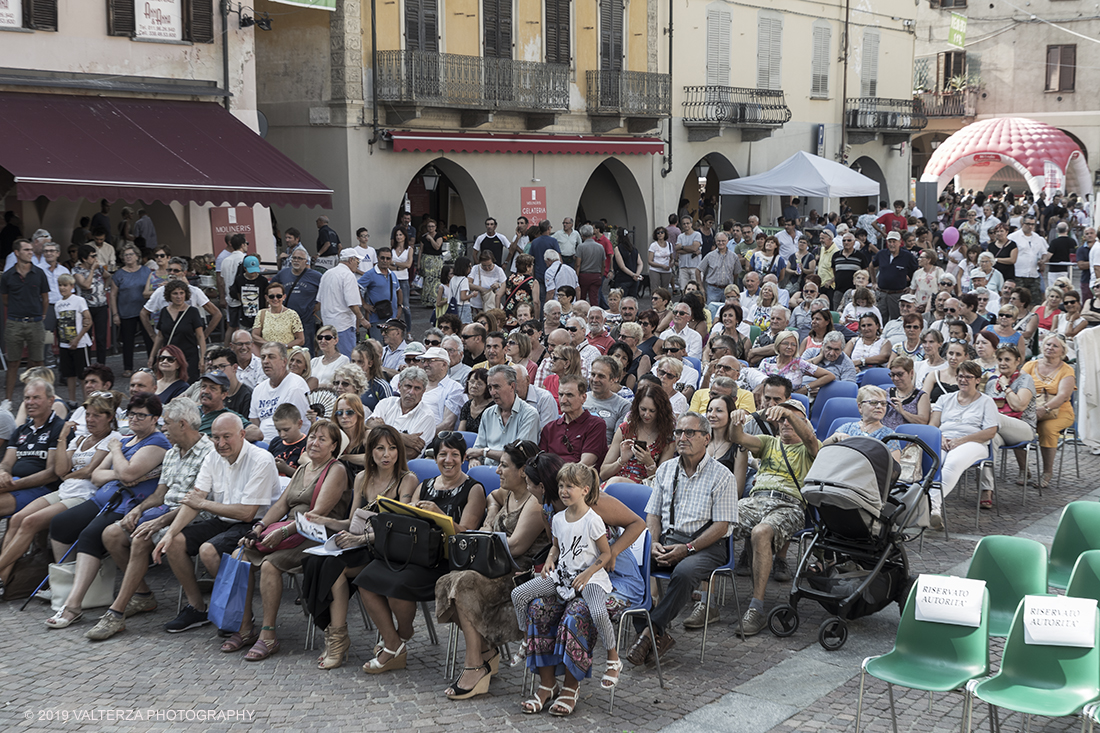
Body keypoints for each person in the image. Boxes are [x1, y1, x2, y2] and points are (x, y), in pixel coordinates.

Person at [350, 432, 483, 674]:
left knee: (398, 585)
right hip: (415, 553)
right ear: (435, 458)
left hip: (446, 560)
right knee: (367, 579)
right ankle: (393, 642)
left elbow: (466, 536)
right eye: (443, 454)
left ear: (464, 458)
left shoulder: (473, 489)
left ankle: (400, 636)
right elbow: (407, 521)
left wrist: (438, 515)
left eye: (454, 454)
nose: (448, 459)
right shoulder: (425, 485)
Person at [511, 463, 630, 715]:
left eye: (570, 487)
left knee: (596, 613)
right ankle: (525, 642)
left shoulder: (593, 520)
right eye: (562, 486)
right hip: (563, 577)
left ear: (585, 490)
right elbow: (556, 546)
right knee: (520, 595)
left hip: (591, 578)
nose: (564, 491)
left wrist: (588, 574)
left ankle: (613, 658)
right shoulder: (557, 518)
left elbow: (606, 553)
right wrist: (551, 558)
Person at [45, 394, 170, 628]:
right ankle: (76, 585)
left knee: (90, 535)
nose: (134, 419)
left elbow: (130, 475)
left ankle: (73, 605)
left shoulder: (156, 442)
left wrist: (118, 456)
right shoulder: (124, 441)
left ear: (155, 419)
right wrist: (120, 472)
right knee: (61, 524)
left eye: (141, 415)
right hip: (103, 498)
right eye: (131, 414)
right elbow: (97, 476)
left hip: (128, 505)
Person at [434, 439, 547, 699]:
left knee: (463, 584)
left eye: (504, 466)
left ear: (523, 471)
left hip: (519, 574)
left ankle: (475, 666)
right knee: (446, 581)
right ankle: (485, 651)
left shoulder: (534, 501)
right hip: (496, 566)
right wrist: (491, 515)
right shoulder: (508, 492)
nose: (497, 471)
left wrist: (484, 535)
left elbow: (517, 546)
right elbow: (492, 497)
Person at [229, 419, 349, 660]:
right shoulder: (304, 468)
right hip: (289, 531)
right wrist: (259, 528)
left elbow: (317, 514)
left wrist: (281, 532)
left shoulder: (336, 470)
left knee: (270, 565)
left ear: (334, 446)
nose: (314, 442)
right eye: (313, 437)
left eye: (322, 439)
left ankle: (268, 635)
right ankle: (245, 627)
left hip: (317, 536)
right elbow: (282, 504)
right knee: (238, 555)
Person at [624, 412, 736, 664]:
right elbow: (653, 515)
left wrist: (688, 548)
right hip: (668, 539)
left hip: (707, 544)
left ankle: (649, 632)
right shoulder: (666, 469)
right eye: (678, 432)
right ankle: (657, 635)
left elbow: (721, 526)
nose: (682, 438)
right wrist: (652, 543)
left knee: (684, 573)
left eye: (690, 433)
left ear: (706, 438)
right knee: (632, 566)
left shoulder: (722, 476)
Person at [0, 392, 120, 596]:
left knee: (30, 522)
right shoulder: (81, 439)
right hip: (65, 490)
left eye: (97, 416)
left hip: (84, 495)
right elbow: (59, 470)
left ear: (109, 417)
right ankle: (3, 581)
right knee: (17, 519)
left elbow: (90, 471)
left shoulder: (113, 438)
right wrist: (63, 438)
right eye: (88, 415)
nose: (90, 420)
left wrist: (69, 473)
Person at [727, 398, 819, 635]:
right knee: (718, 518)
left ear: (804, 421)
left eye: (794, 416)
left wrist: (788, 414)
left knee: (761, 532)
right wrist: (737, 420)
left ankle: (756, 609)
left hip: (789, 505)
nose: (786, 421)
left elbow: (809, 438)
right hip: (756, 500)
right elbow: (737, 438)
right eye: (782, 417)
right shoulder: (769, 442)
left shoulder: (811, 446)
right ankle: (704, 599)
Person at [927, 360, 999, 527]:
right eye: (960, 376)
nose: (963, 380)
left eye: (968, 377)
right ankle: (926, 506)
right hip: (945, 440)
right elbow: (933, 425)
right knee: (933, 461)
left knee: (953, 462)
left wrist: (961, 441)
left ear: (977, 380)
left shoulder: (986, 401)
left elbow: (990, 432)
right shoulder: (945, 399)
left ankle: (932, 506)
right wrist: (941, 437)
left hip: (973, 442)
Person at [1022, 334, 1076, 488]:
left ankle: (1047, 472)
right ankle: (1023, 470)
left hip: (1059, 412)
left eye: (1055, 346)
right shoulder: (1030, 366)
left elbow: (1064, 396)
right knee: (1016, 426)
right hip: (1031, 408)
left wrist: (1044, 409)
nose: (1050, 348)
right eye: (1048, 344)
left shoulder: (1067, 370)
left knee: (1047, 428)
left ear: (1062, 351)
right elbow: (1020, 387)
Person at [599, 381, 677, 484]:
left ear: (661, 411)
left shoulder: (667, 438)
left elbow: (663, 482)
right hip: (615, 483)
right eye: (643, 409)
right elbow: (603, 473)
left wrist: (649, 463)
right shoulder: (625, 430)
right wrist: (621, 461)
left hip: (644, 488)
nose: (646, 414)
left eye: (652, 411)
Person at [2, 239, 50, 398]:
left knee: (38, 362)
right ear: (17, 252)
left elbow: (45, 298)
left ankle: (43, 397)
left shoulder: (39, 273)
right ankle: (7, 401)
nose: (30, 252)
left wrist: (41, 315)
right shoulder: (8, 276)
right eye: (26, 249)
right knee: (13, 363)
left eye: (31, 249)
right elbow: (5, 299)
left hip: (35, 322)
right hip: (14, 322)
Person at [467, 365, 540, 466]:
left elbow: (520, 455)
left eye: (496, 387)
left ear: (512, 386)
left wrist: (484, 452)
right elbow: (476, 450)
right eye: (489, 387)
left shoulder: (529, 414)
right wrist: (474, 459)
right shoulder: (488, 413)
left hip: (514, 474)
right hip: (487, 470)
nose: (492, 392)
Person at [365, 367, 436, 458]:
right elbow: (369, 425)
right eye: (408, 386)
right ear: (399, 386)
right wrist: (402, 437)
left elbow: (411, 453)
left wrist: (380, 432)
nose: (411, 392)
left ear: (423, 392)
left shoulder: (427, 416)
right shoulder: (386, 403)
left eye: (417, 388)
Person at [538, 375, 607, 467]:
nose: (563, 400)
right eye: (561, 395)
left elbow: (585, 464)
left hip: (578, 479)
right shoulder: (550, 428)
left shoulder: (596, 425)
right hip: (549, 478)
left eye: (569, 395)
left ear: (583, 398)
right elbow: (541, 462)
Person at [249, 342, 311, 443]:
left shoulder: (295, 386)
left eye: (271, 357)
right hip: (260, 445)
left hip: (286, 446)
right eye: (263, 357)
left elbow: (297, 428)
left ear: (284, 361)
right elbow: (254, 424)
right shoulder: (258, 389)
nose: (265, 361)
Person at [823, 386, 903, 459]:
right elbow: (823, 448)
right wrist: (835, 438)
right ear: (860, 407)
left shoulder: (889, 435)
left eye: (883, 403)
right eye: (873, 402)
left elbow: (893, 469)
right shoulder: (847, 427)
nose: (879, 406)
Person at [148, 279, 204, 383]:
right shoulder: (164, 311)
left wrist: (202, 358)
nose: (179, 297)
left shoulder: (192, 312)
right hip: (170, 357)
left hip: (189, 356)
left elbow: (200, 336)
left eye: (181, 293)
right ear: (169, 295)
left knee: (188, 384)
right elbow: (160, 336)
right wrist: (152, 356)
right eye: (175, 294)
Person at [109, 245, 152, 376]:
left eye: (131, 254)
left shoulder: (146, 271)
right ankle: (128, 368)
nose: (128, 257)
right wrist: (115, 314)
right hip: (126, 312)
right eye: (125, 255)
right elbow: (113, 295)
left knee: (149, 338)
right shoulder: (119, 274)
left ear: (137, 256)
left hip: (145, 311)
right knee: (127, 341)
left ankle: (153, 365)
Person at [319, 249, 369, 356]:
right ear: (351, 260)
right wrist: (362, 319)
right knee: (346, 360)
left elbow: (319, 300)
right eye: (357, 262)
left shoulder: (327, 274)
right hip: (344, 326)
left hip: (327, 325)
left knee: (330, 358)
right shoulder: (348, 275)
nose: (358, 265)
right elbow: (352, 303)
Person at [758, 331, 835, 395]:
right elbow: (759, 385)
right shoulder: (766, 363)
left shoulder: (799, 364)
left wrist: (806, 388)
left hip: (791, 402)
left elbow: (829, 375)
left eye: (793, 344)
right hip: (768, 400)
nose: (789, 347)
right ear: (778, 345)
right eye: (785, 343)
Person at [250, 281, 303, 348]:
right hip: (268, 354)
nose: (275, 299)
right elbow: (254, 336)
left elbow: (301, 339)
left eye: (279, 296)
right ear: (266, 298)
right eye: (271, 296)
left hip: (286, 356)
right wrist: (270, 345)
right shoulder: (261, 313)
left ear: (284, 297)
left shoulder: (292, 314)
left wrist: (285, 346)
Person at [883, 355, 930, 429]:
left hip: (907, 437)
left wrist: (903, 412)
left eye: (900, 374)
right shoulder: (887, 392)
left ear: (911, 373)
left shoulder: (921, 396)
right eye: (892, 375)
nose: (896, 378)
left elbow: (923, 422)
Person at [457, 368, 491, 434]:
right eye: (472, 382)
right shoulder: (467, 405)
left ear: (487, 387)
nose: (474, 386)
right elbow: (461, 433)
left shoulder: (493, 407)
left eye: (479, 384)